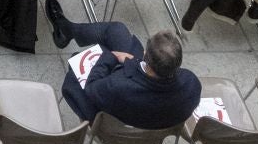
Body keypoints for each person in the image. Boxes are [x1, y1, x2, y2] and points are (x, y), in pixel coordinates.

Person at [45, 7, 200, 129]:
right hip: (148, 107)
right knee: (116, 30)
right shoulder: (192, 84)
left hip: (112, 119)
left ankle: (66, 29)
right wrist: (132, 62)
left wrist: (110, 57)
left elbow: (92, 88)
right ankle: (69, 30)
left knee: (79, 58)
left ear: (145, 56)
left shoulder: (118, 86)